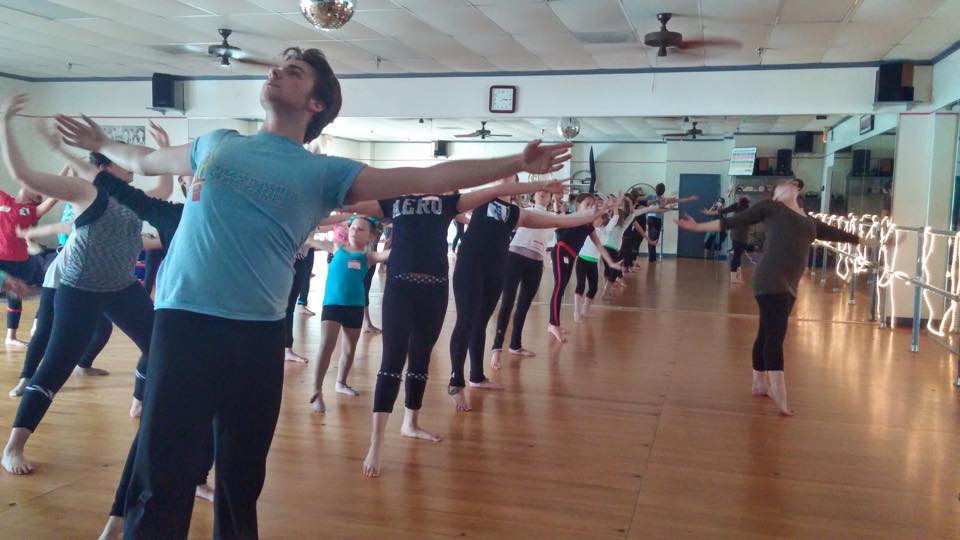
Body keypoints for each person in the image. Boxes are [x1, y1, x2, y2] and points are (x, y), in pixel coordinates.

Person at [49, 45, 572, 539]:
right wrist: (100, 142)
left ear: (315, 104)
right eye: (279, 66)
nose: (276, 71)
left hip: (258, 335)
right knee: (161, 474)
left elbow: (430, 176)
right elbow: (143, 161)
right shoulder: (217, 142)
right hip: (185, 324)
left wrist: (515, 163)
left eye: (293, 70)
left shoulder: (326, 172)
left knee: (239, 479)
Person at [346, 176, 566, 477]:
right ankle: (377, 442)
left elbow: (500, 191)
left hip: (435, 290)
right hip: (399, 289)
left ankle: (411, 423)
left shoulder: (448, 204)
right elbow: (349, 202)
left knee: (421, 359)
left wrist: (573, 208)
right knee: (392, 361)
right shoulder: (395, 201)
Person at [1, 98, 166, 476]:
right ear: (105, 166)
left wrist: (163, 147)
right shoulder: (86, 191)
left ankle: (140, 400)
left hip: (122, 287)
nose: (131, 163)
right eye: (122, 158)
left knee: (160, 343)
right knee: (56, 365)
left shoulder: (134, 198)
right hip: (80, 290)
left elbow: (163, 183)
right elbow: (25, 175)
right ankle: (14, 446)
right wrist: (6, 123)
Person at [676, 178, 861, 416]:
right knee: (775, 336)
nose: (788, 184)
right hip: (770, 279)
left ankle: (759, 383)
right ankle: (779, 392)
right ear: (776, 195)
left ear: (797, 190)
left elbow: (841, 235)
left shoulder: (809, 221)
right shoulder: (772, 208)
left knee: (766, 332)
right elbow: (732, 221)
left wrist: (877, 241)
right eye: (782, 185)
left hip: (790, 284)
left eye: (792, 183)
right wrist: (697, 228)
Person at [447, 176, 592, 410]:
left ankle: (476, 376)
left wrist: (591, 214)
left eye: (510, 177)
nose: (504, 180)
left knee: (480, 322)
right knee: (465, 321)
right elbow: (452, 206)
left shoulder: (516, 213)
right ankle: (456, 383)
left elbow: (558, 220)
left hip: (496, 268)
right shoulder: (480, 197)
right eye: (502, 176)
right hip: (470, 266)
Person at [489, 190, 609, 370]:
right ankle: (497, 349)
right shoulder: (524, 210)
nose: (543, 193)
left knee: (523, 306)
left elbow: (579, 217)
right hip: (514, 258)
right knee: (507, 303)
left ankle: (515, 345)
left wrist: (602, 209)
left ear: (552, 197)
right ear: (533, 195)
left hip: (536, 263)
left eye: (547, 191)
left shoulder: (554, 218)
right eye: (540, 190)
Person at [309, 215, 389, 412]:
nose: (354, 231)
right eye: (353, 227)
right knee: (326, 346)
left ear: (370, 236)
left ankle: (341, 382)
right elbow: (311, 240)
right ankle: (317, 390)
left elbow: (388, 254)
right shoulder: (337, 248)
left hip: (355, 306)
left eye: (361, 229)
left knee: (349, 349)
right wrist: (308, 232)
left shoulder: (368, 257)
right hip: (332, 305)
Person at [547, 194, 621, 342]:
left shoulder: (589, 226)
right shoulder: (573, 217)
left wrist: (611, 263)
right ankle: (553, 324)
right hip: (561, 251)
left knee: (561, 288)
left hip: (571, 256)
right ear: (577, 206)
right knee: (559, 287)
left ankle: (553, 323)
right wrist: (606, 207)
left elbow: (600, 246)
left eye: (592, 204)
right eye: (587, 204)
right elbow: (559, 220)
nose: (591, 207)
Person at [0, 176, 58, 347]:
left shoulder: (30, 211)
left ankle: (11, 337)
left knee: (14, 298)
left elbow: (53, 197)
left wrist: (68, 173)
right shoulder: (5, 200)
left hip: (19, 262)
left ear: (34, 199)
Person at [645, 183, 698, 263]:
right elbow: (679, 200)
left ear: (656, 190)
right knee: (654, 239)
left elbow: (642, 200)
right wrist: (690, 198)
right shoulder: (664, 199)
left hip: (650, 219)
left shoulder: (652, 197)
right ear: (663, 191)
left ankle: (652, 258)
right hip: (656, 220)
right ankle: (652, 259)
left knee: (651, 238)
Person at [702, 196, 751, 283]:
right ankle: (735, 277)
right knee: (737, 256)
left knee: (737, 256)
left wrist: (708, 212)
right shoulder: (741, 207)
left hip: (739, 235)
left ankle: (737, 277)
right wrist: (710, 211)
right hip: (739, 236)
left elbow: (723, 212)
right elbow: (722, 211)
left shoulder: (743, 208)